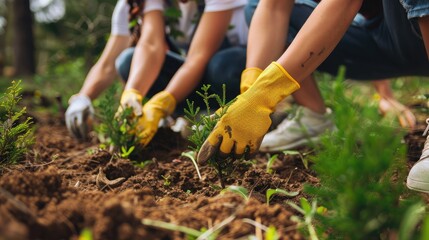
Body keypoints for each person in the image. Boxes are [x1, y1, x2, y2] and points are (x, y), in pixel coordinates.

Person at [196, 0, 429, 164]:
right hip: (385, 41)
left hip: (414, 24)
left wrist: (266, 94)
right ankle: (314, 118)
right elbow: (273, 8)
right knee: (257, 6)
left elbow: (345, 3)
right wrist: (251, 95)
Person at [65, 0, 248, 141]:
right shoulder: (137, 4)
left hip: (233, 71)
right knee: (128, 60)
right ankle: (189, 116)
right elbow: (151, 46)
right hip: (194, 75)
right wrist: (130, 94)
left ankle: (243, 115)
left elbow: (198, 56)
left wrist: (162, 102)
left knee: (223, 65)